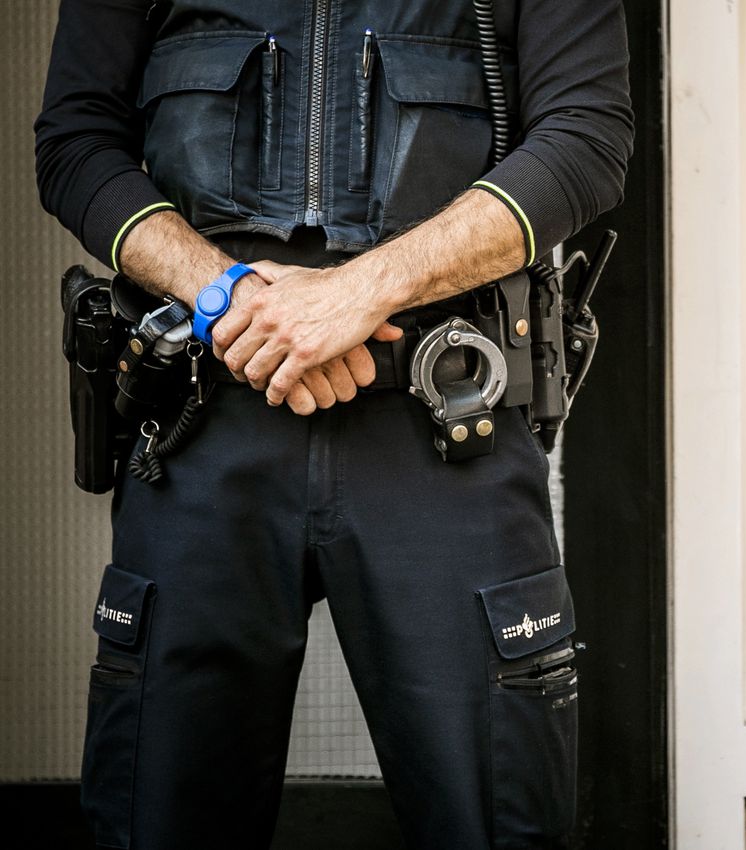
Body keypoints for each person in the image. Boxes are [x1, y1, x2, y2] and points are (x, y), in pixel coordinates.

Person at [35, 0, 633, 847]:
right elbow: (74, 144)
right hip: (201, 425)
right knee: (159, 817)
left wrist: (362, 292)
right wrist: (229, 298)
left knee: (494, 820)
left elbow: (587, 139)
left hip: (448, 425)